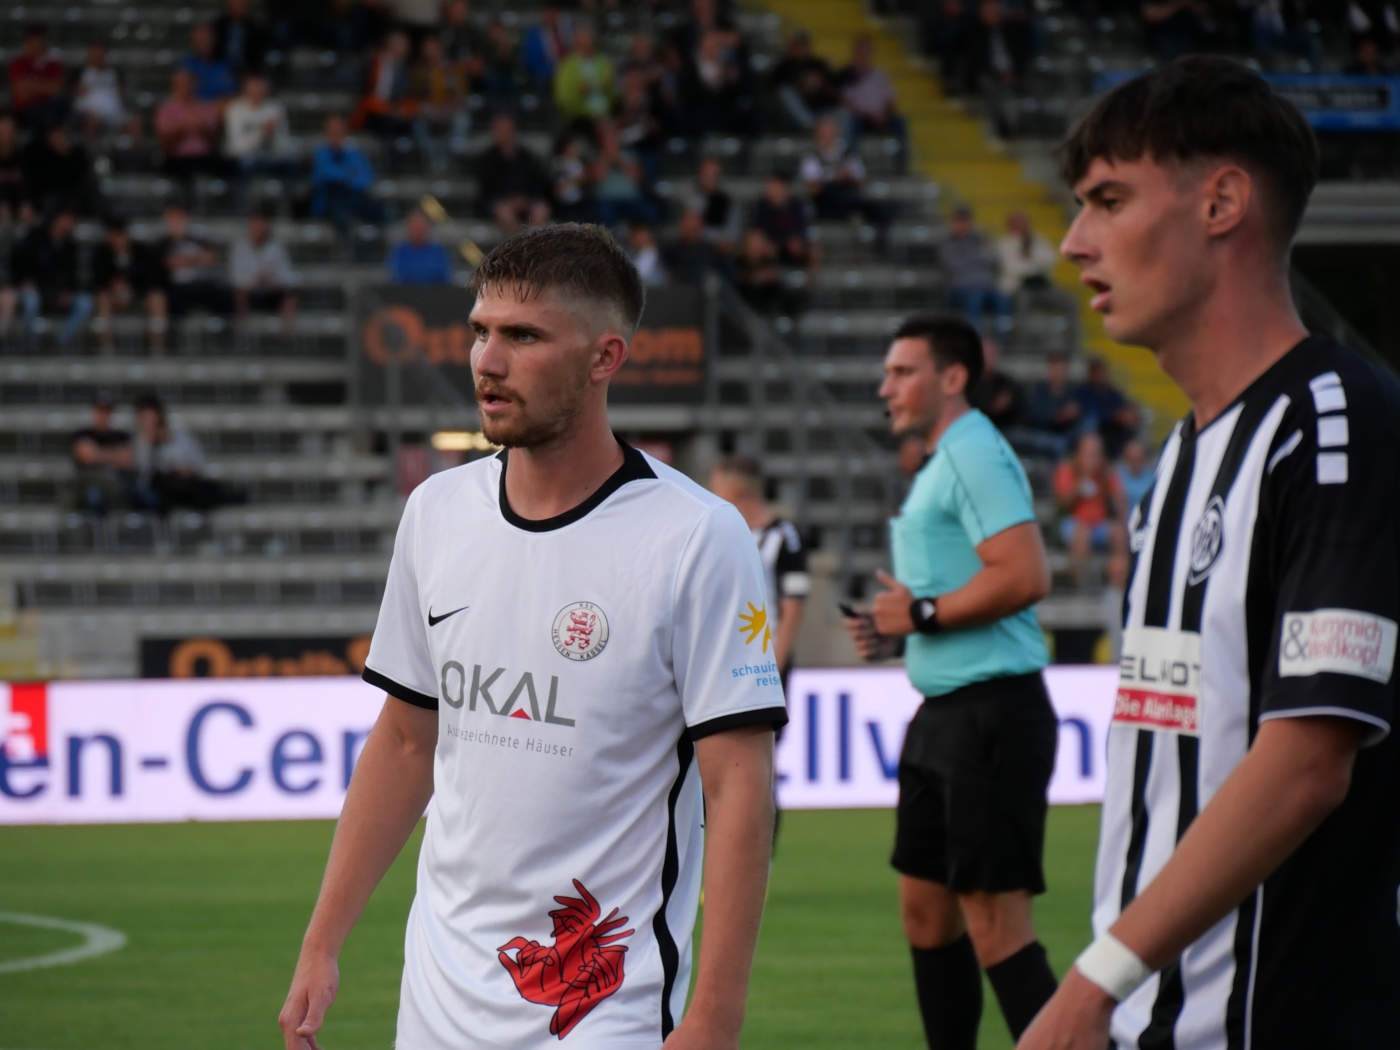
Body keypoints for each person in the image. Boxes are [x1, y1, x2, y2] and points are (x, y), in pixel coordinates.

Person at [278, 223, 783, 1050]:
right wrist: (321, 943)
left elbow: (739, 786)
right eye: (480, 331)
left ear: (605, 357)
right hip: (435, 1004)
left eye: (523, 336)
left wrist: (715, 1019)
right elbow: (404, 742)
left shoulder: (697, 536)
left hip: (599, 1009)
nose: (487, 359)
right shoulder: (436, 512)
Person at [1021, 55, 1400, 1050]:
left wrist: (1090, 985)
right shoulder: (1178, 460)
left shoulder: (1332, 426)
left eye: (1108, 201)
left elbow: (1307, 760)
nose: (1073, 242)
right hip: (1151, 1016)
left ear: (1222, 203)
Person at [843, 312, 1058, 1050]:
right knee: (926, 916)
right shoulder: (944, 459)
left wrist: (923, 614)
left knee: (996, 926)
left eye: (903, 372)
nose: (886, 388)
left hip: (991, 714)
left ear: (954, 377)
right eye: (887, 373)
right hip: (944, 712)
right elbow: (958, 592)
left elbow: (1026, 574)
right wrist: (904, 628)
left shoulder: (972, 453)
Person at [0, 205, 93, 347]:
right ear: (57, 219)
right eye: (68, 219)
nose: (70, 223)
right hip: (35, 288)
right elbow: (20, 263)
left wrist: (68, 290)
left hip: (58, 291)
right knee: (31, 301)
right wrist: (25, 281)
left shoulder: (70, 245)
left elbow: (72, 274)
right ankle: (31, 343)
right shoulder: (35, 237)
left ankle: (60, 341)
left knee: (85, 303)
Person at [1052, 431, 1126, 588]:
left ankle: (1119, 584)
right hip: (1073, 522)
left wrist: (1110, 490)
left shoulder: (1106, 472)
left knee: (1119, 532)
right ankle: (1081, 585)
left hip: (1100, 525)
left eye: (1097, 453)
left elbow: (1119, 503)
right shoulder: (1067, 470)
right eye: (1089, 453)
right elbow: (1062, 504)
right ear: (1079, 453)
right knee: (1081, 532)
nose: (1093, 458)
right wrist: (1079, 485)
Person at [92, 217, 167, 351]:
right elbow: (98, 281)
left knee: (157, 298)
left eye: (120, 236)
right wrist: (114, 286)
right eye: (114, 236)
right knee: (102, 298)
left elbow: (150, 278)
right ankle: (106, 346)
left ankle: (157, 346)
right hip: (114, 298)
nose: (118, 240)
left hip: (138, 295)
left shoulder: (141, 251)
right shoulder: (101, 253)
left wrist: (132, 288)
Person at [475, 113, 552, 236]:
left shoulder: (527, 157)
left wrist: (525, 200)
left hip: (526, 202)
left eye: (505, 129)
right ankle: (518, 244)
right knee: (504, 212)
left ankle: (534, 243)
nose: (502, 133)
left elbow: (537, 185)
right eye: (499, 129)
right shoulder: (488, 159)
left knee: (540, 210)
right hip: (501, 204)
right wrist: (509, 201)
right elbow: (486, 192)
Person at [939, 204, 1012, 328]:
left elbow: (994, 260)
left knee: (1003, 299)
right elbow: (953, 265)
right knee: (975, 298)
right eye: (959, 221)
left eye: (965, 221)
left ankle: (1003, 334)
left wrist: (970, 258)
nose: (962, 225)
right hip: (961, 289)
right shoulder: (947, 243)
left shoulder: (981, 239)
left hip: (987, 287)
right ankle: (976, 336)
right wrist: (979, 258)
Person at [309, 114, 386, 233]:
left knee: (379, 212)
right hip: (332, 200)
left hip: (355, 196)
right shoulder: (321, 155)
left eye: (338, 131)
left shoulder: (355, 154)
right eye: (332, 131)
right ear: (327, 133)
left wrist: (344, 177)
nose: (336, 135)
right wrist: (349, 175)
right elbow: (324, 176)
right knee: (342, 217)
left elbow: (366, 178)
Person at [230, 207, 298, 337]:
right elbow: (237, 278)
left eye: (260, 224)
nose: (257, 228)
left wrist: (270, 279)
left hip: (271, 291)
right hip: (250, 293)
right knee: (239, 295)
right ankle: (242, 336)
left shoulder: (276, 247)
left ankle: (286, 338)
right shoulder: (240, 247)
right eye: (254, 224)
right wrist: (255, 280)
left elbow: (288, 278)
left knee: (289, 296)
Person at [70, 392, 135, 514]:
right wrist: (114, 455)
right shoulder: (82, 434)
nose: (103, 415)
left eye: (106, 411)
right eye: (100, 411)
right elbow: (86, 456)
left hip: (116, 486)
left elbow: (127, 460)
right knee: (94, 495)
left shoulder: (121, 436)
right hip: (90, 483)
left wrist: (97, 453)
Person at [1073, 356, 1141, 458]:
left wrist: (1128, 414)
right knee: (1090, 423)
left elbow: (1122, 409)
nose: (1101, 375)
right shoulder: (1083, 392)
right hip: (1093, 430)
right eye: (1098, 372)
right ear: (1091, 374)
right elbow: (1089, 412)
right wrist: (1115, 416)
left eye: (1103, 372)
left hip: (1112, 430)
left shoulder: (1112, 393)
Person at [995, 211, 1057, 300]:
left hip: (1041, 283)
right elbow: (1011, 268)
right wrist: (1035, 265)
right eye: (1016, 224)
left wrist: (1031, 257)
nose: (1020, 227)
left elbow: (1051, 259)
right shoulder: (1003, 244)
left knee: (1067, 300)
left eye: (1023, 224)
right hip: (1017, 286)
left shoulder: (1039, 240)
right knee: (1024, 300)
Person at [387, 209, 453, 286]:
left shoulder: (438, 251)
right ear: (408, 228)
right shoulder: (399, 251)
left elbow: (444, 275)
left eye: (421, 227)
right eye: (415, 227)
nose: (418, 231)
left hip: (434, 291)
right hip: (406, 291)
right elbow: (397, 276)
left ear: (427, 228)